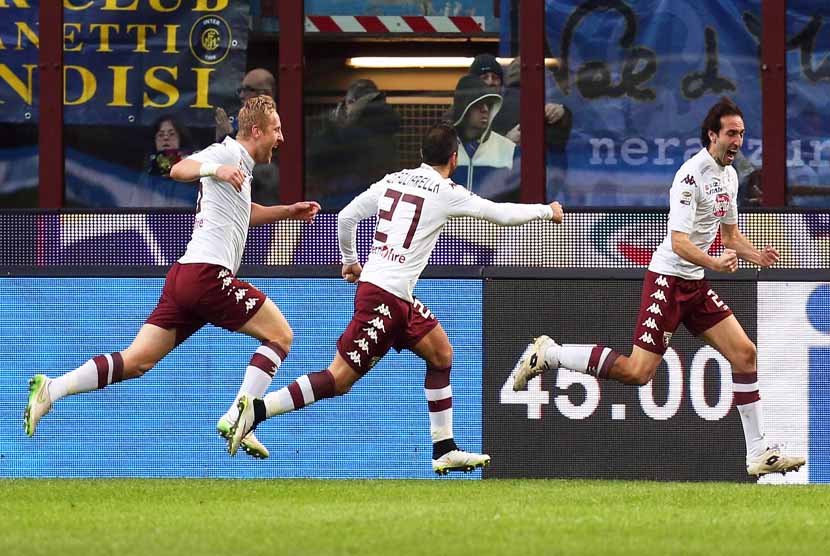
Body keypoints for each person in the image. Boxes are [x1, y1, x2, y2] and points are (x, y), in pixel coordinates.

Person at [227, 122, 564, 474]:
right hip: (384, 299)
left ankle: (444, 448)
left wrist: (350, 262)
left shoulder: (394, 179)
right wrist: (547, 211)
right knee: (339, 379)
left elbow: (346, 216)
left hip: (395, 295)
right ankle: (257, 410)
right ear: (453, 159)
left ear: (421, 155)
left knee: (440, 354)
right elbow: (500, 215)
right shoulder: (446, 191)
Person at [512, 97, 806, 478]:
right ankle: (550, 354)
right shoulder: (690, 176)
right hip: (667, 281)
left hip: (695, 283)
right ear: (712, 135)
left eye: (742, 134)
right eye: (732, 134)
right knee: (638, 373)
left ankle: (759, 451)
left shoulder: (729, 177)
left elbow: (731, 235)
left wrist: (756, 254)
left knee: (745, 354)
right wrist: (715, 262)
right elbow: (680, 241)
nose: (738, 141)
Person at [24, 96, 321, 461]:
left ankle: (51, 389)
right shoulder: (226, 155)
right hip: (207, 276)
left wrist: (286, 212)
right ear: (256, 131)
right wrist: (215, 170)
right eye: (277, 129)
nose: (282, 137)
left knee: (137, 361)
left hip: (185, 276)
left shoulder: (238, 164)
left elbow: (243, 213)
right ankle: (239, 417)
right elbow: (179, 169)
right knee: (281, 335)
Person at [470, 54, 572, 201]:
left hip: (515, 199)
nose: (490, 82)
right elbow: (467, 156)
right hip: (496, 201)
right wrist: (506, 142)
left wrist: (561, 112)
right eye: (484, 77)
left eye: (495, 77)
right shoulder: (463, 116)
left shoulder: (539, 109)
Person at [306, 79, 401, 210]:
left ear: (351, 102)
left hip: (342, 204)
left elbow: (315, 162)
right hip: (380, 205)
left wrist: (334, 126)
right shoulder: (389, 130)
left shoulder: (347, 133)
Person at [450, 74, 520, 202]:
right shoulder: (443, 148)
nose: (485, 109)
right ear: (464, 108)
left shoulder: (509, 150)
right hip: (452, 222)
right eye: (478, 104)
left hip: (492, 222)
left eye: (488, 104)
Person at [216, 68, 280, 205]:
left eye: (247, 90)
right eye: (241, 90)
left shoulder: (279, 125)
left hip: (271, 207)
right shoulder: (240, 125)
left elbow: (263, 168)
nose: (241, 96)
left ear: (266, 93)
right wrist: (224, 140)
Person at [126, 115, 198, 207]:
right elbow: (136, 206)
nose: (166, 138)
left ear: (180, 139)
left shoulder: (192, 169)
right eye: (160, 135)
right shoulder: (147, 175)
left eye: (171, 134)